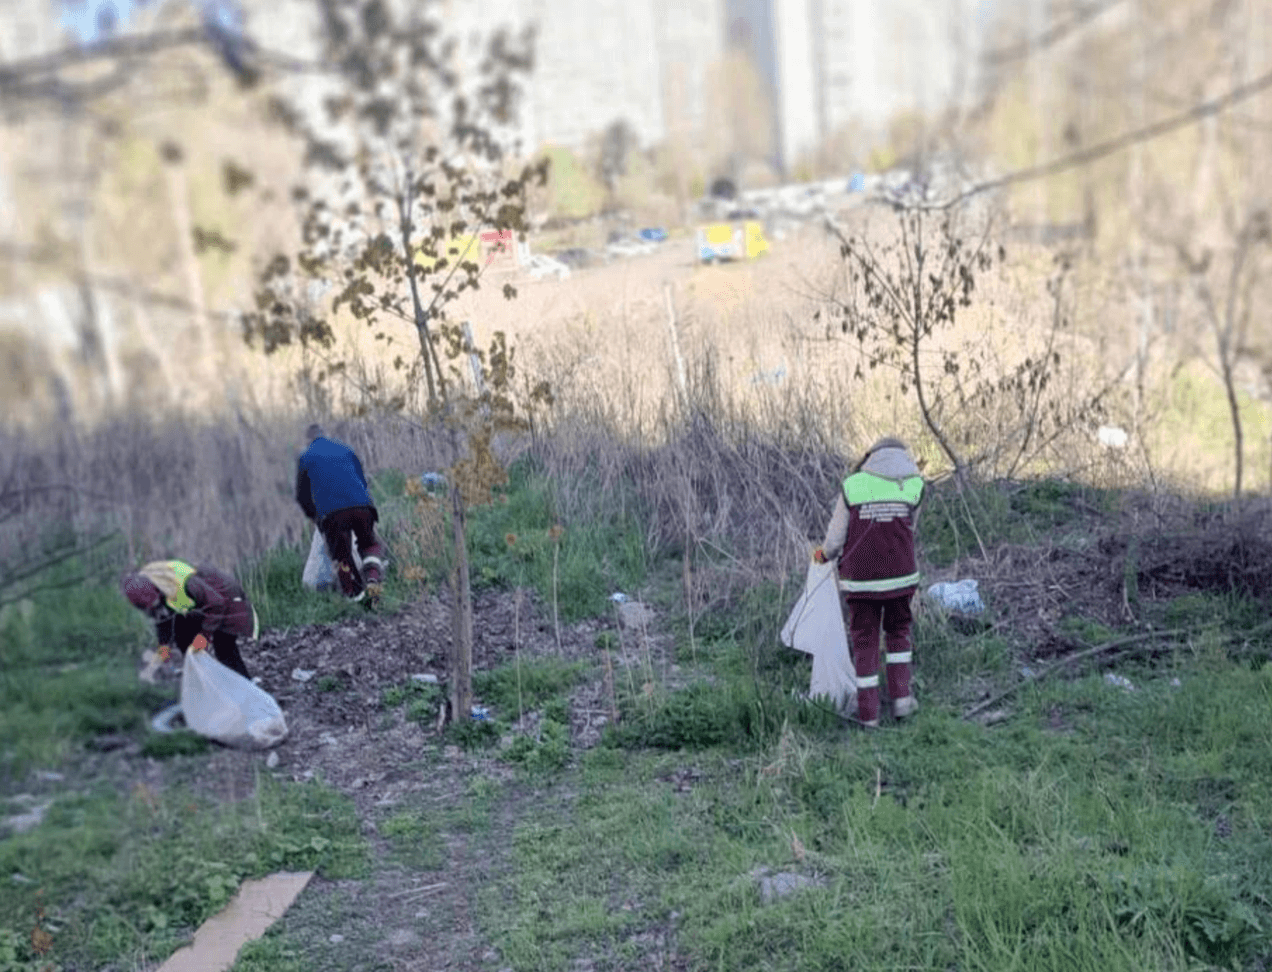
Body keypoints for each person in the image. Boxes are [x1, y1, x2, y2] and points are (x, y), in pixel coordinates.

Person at [813, 437, 925, 728]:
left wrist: (823, 556)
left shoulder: (853, 485)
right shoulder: (916, 485)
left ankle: (868, 715)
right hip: (902, 578)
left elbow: (835, 539)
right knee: (899, 634)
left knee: (865, 641)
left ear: (870, 457)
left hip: (860, 583)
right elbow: (910, 529)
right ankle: (901, 700)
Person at [295, 423, 386, 606]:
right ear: (325, 435)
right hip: (363, 507)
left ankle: (356, 599)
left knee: (342, 557)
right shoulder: (345, 449)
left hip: (333, 514)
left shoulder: (306, 456)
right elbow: (362, 480)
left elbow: (302, 496)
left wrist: (314, 517)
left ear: (309, 439)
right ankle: (373, 580)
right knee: (369, 545)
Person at [122, 560, 258, 680]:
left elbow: (217, 603)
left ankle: (246, 689)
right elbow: (163, 617)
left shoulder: (186, 583)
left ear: (156, 590)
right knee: (183, 637)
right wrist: (164, 645)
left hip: (226, 599)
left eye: (154, 603)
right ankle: (204, 680)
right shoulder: (148, 588)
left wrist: (204, 636)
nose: (153, 607)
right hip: (198, 606)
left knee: (224, 648)